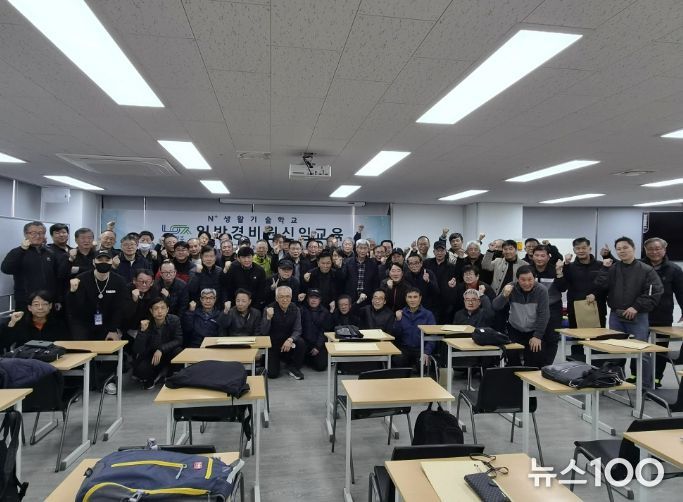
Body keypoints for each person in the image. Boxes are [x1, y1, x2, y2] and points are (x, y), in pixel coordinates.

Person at [591, 237, 663, 388]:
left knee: (642, 352)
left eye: (625, 248)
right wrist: (604, 269)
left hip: (638, 316)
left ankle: (645, 386)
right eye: (618, 249)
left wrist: (636, 307)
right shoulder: (612, 268)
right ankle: (616, 381)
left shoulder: (646, 270)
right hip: (616, 316)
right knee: (615, 351)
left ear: (633, 248)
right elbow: (600, 286)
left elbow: (655, 292)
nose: (622, 251)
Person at [641, 237, 683, 387]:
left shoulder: (674, 269)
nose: (654, 252)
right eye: (650, 249)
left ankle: (657, 377)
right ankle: (636, 375)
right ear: (645, 250)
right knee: (638, 346)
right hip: (640, 314)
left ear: (664, 249)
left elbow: (681, 292)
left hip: (663, 315)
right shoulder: (638, 266)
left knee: (661, 348)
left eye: (657, 249)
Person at [493, 265, 550, 368]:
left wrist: (537, 336)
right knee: (512, 356)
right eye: (523, 280)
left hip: (533, 330)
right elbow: (496, 306)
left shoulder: (541, 290)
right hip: (514, 328)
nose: (526, 283)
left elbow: (544, 315)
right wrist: (504, 295)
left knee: (535, 356)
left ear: (534, 278)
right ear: (517, 279)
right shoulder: (510, 287)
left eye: (530, 279)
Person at [1, 221, 61, 310]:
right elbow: (6, 269)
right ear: (25, 234)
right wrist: (22, 250)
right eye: (33, 233)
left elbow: (56, 277)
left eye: (41, 233)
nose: (38, 236)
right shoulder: (16, 252)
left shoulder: (50, 253)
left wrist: (57, 298)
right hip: (26, 301)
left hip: (47, 300)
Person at [132, 297, 183, 389]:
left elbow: (178, 340)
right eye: (156, 308)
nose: (160, 311)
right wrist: (142, 332)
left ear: (167, 310)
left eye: (163, 308)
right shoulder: (146, 323)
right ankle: (156, 375)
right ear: (151, 311)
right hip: (151, 355)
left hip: (168, 352)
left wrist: (161, 349)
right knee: (140, 370)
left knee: (178, 351)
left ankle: (169, 372)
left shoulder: (174, 320)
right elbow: (138, 349)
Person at [529, 245, 566, 365]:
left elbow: (562, 288)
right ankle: (535, 366)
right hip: (533, 308)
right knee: (535, 337)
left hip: (553, 308)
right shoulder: (528, 270)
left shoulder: (554, 270)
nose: (539, 258)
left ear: (548, 257)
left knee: (552, 338)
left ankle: (547, 366)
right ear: (532, 256)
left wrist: (559, 273)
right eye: (537, 255)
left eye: (542, 256)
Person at [261, 286, 306, 379]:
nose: (285, 300)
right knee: (272, 374)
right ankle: (278, 361)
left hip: (288, 341)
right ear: (276, 298)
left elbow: (298, 329)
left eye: (287, 296)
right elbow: (263, 332)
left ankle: (293, 367)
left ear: (291, 297)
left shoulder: (295, 309)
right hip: (273, 343)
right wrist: (268, 318)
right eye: (281, 297)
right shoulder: (269, 308)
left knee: (301, 342)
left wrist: (290, 339)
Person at [563, 237, 607, 329]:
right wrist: (565, 265)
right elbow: (563, 285)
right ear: (574, 250)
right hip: (575, 310)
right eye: (578, 248)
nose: (581, 251)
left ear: (589, 249)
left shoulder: (600, 265)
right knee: (576, 337)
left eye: (584, 248)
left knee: (598, 337)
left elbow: (606, 285)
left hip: (597, 309)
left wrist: (595, 294)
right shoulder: (569, 267)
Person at [0, 290, 68, 351]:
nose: (40, 308)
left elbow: (65, 345)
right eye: (36, 304)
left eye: (45, 304)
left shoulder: (59, 323)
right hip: (25, 358)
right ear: (29, 308)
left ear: (50, 306)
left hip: (51, 357)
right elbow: (4, 343)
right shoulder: (20, 323)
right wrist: (12, 323)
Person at [392, 288, 436, 369]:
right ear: (406, 298)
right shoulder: (400, 313)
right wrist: (398, 320)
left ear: (420, 298)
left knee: (423, 365)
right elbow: (396, 335)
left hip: (421, 349)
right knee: (396, 362)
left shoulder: (428, 315)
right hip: (404, 349)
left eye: (415, 297)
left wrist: (426, 352)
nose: (412, 300)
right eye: (410, 297)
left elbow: (433, 336)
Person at [338, 239, 379, 309]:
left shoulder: (373, 264)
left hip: (366, 297)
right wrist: (339, 268)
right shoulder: (347, 262)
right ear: (356, 249)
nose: (362, 251)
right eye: (360, 248)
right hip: (350, 297)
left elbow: (375, 283)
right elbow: (342, 279)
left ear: (368, 249)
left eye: (365, 248)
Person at [300, 289, 332, 372]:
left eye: (316, 298)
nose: (313, 300)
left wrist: (317, 347)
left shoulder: (325, 312)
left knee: (321, 366)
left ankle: (309, 359)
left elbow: (325, 331)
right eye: (311, 298)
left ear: (320, 300)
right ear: (307, 299)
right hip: (305, 343)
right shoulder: (301, 310)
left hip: (318, 344)